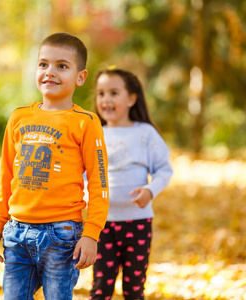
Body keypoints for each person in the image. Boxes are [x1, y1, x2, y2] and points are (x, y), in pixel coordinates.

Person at [0, 32, 109, 300]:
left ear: (80, 77)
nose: (50, 72)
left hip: (62, 235)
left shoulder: (86, 123)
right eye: (43, 64)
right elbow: (6, 176)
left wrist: (92, 233)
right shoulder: (19, 118)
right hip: (16, 232)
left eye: (62, 66)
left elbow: (100, 183)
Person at [89, 68, 173, 299]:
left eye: (114, 93)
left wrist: (150, 190)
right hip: (102, 224)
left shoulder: (145, 134)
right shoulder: (95, 134)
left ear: (131, 98)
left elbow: (164, 170)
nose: (106, 99)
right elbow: (85, 174)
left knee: (134, 288)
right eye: (101, 93)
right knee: (100, 286)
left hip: (137, 223)